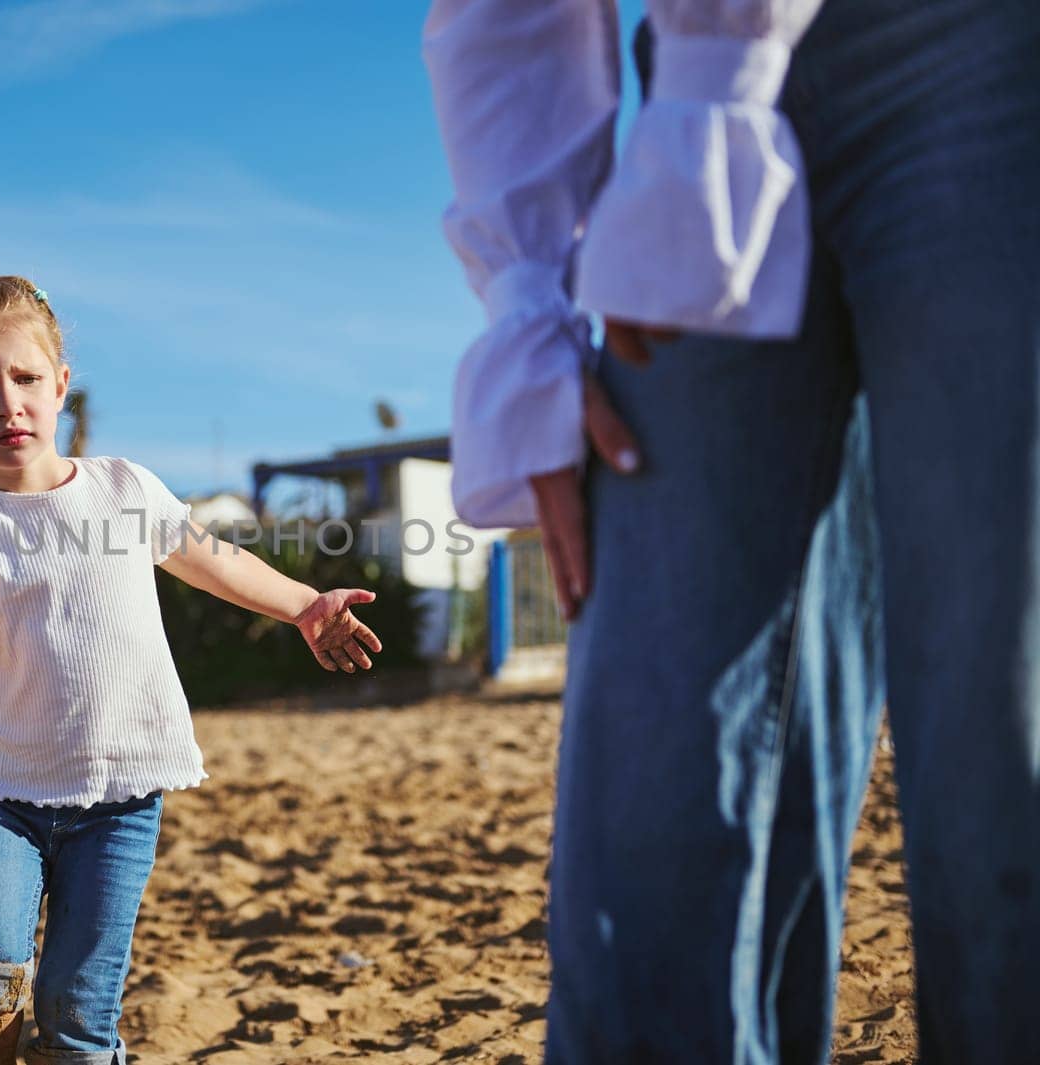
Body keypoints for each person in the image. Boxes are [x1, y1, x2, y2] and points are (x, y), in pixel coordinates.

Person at [425, 0, 1040, 1062]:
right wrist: (528, 300)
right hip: (685, 76)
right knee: (655, 769)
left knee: (1001, 739)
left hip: (994, 58)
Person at [0, 258, 383, 1065]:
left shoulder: (123, 491)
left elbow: (218, 561)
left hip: (122, 800)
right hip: (7, 796)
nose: (7, 403)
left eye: (26, 377)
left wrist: (304, 604)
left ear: (61, 383)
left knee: (75, 1014)